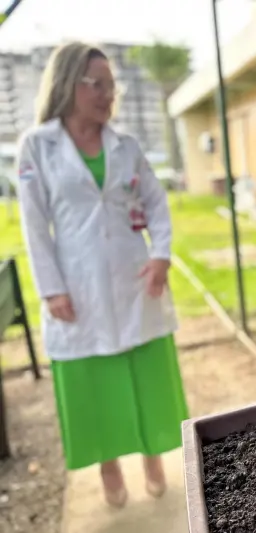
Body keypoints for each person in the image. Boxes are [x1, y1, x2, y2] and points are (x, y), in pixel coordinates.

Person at [15, 42, 188, 508]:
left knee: (143, 369)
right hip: (78, 283)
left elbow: (155, 203)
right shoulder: (38, 145)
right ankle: (108, 465)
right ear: (69, 84)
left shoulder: (126, 146)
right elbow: (33, 226)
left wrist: (161, 255)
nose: (108, 94)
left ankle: (153, 454)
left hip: (135, 278)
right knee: (93, 378)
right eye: (98, 84)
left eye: (113, 85)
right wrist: (51, 289)